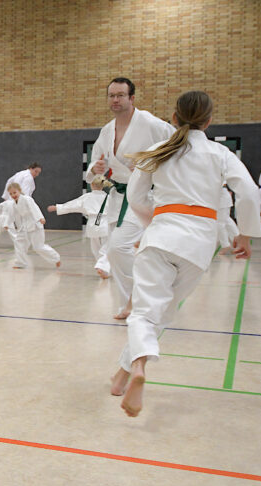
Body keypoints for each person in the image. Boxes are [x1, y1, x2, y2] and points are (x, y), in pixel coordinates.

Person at [109, 91, 261, 417]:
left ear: (174, 118)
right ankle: (123, 374)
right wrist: (245, 235)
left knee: (145, 313)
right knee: (162, 313)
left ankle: (136, 369)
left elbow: (135, 196)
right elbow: (249, 192)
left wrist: (154, 223)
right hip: (199, 245)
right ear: (208, 121)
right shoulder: (219, 153)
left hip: (161, 235)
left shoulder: (159, 149)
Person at [86, 77, 175, 319]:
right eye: (111, 95)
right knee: (116, 254)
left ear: (131, 98)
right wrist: (96, 168)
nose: (115, 100)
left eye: (120, 95)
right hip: (118, 197)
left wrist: (151, 163)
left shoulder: (151, 124)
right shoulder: (107, 130)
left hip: (144, 196)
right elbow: (94, 164)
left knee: (118, 247)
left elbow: (176, 149)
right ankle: (131, 303)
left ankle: (141, 298)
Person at [48, 175, 112, 278]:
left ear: (91, 185)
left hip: (92, 224)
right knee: (107, 248)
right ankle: (102, 266)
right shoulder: (109, 198)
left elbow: (72, 205)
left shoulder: (87, 197)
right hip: (105, 224)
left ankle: (103, 270)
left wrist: (57, 207)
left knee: (95, 248)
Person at [0, 182, 61, 269]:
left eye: (14, 192)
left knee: (38, 247)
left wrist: (40, 218)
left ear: (19, 190)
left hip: (35, 224)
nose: (13, 195)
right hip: (24, 227)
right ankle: (20, 263)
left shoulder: (27, 199)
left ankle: (56, 258)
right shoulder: (13, 204)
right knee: (18, 242)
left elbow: (34, 208)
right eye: (11, 194)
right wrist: (7, 223)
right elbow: (11, 214)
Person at [216, 185, 239, 254]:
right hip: (222, 197)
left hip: (221, 198)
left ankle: (226, 245)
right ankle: (237, 243)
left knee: (220, 223)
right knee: (227, 220)